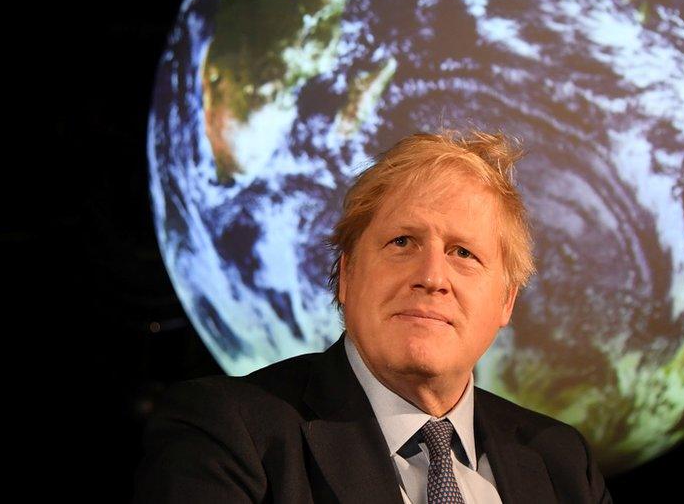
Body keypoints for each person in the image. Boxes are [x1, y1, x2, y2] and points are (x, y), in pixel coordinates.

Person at [132, 131, 612, 503]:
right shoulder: (228, 436)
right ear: (346, 275)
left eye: (463, 252)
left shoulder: (562, 463)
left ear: (505, 302)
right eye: (402, 242)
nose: (432, 277)